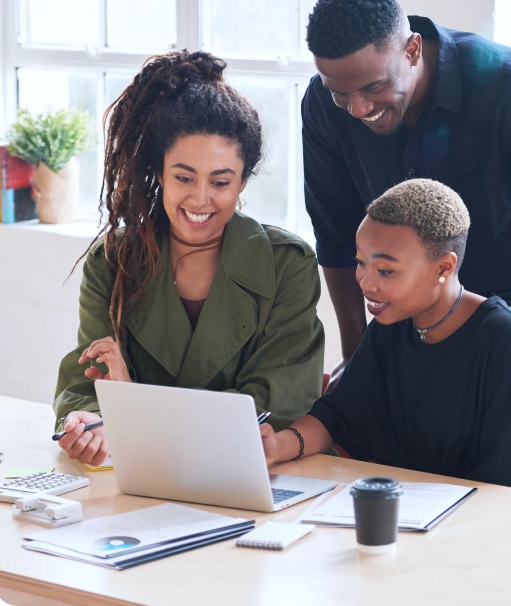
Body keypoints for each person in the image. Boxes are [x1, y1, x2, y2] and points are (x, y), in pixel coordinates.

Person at [301, 0, 511, 431]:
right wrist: (357, 355)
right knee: (404, 454)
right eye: (339, 92)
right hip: (402, 301)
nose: (356, 108)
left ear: (412, 50)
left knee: (510, 457)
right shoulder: (323, 106)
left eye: (372, 87)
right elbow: (334, 235)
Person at [54, 50, 324, 467]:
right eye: (183, 177)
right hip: (135, 477)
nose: (200, 199)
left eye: (220, 181)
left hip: (234, 471)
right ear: (159, 172)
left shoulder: (288, 264)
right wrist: (90, 420)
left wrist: (134, 410)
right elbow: (85, 381)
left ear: (243, 181)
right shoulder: (111, 261)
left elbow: (279, 397)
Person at [261, 179, 511, 494]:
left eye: (386, 271)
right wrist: (278, 445)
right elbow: (336, 415)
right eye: (362, 263)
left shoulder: (503, 337)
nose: (366, 282)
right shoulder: (392, 324)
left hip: (479, 525)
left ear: (444, 267)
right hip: (404, 515)